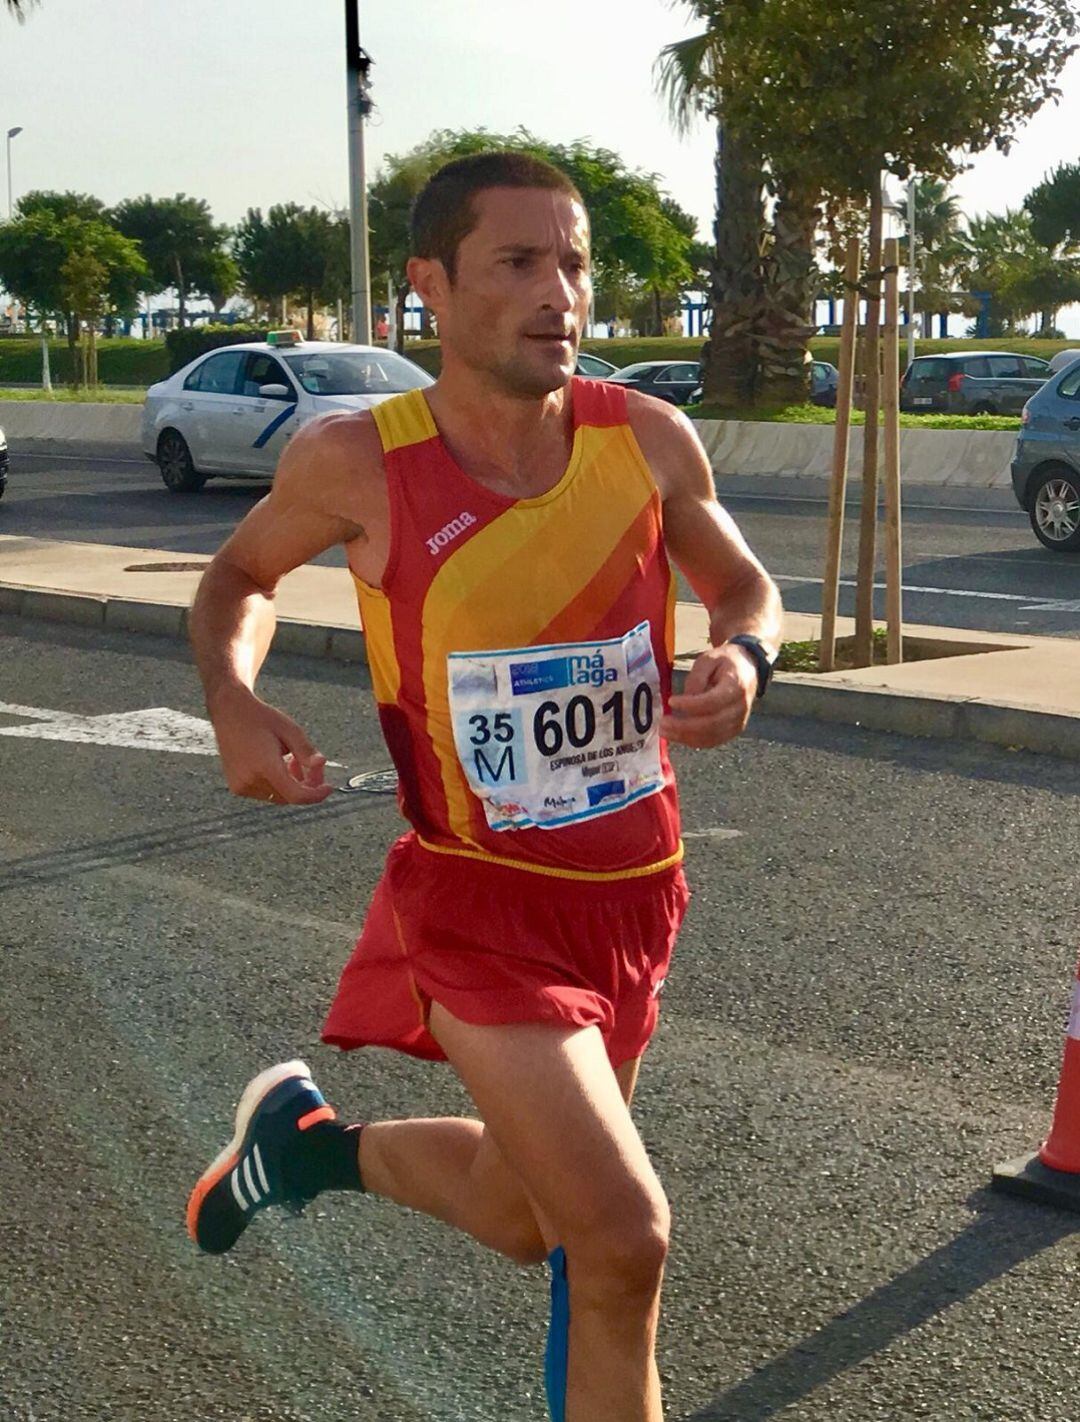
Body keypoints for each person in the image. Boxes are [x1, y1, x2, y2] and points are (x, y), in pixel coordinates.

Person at [186, 151, 782, 1422]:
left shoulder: (645, 439)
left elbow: (745, 588)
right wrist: (233, 696)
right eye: (518, 262)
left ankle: (307, 1151)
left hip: (635, 892)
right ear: (431, 287)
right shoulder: (361, 461)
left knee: (529, 1218)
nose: (560, 292)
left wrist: (747, 658)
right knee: (620, 1241)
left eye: (574, 263)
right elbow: (237, 579)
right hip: (478, 904)